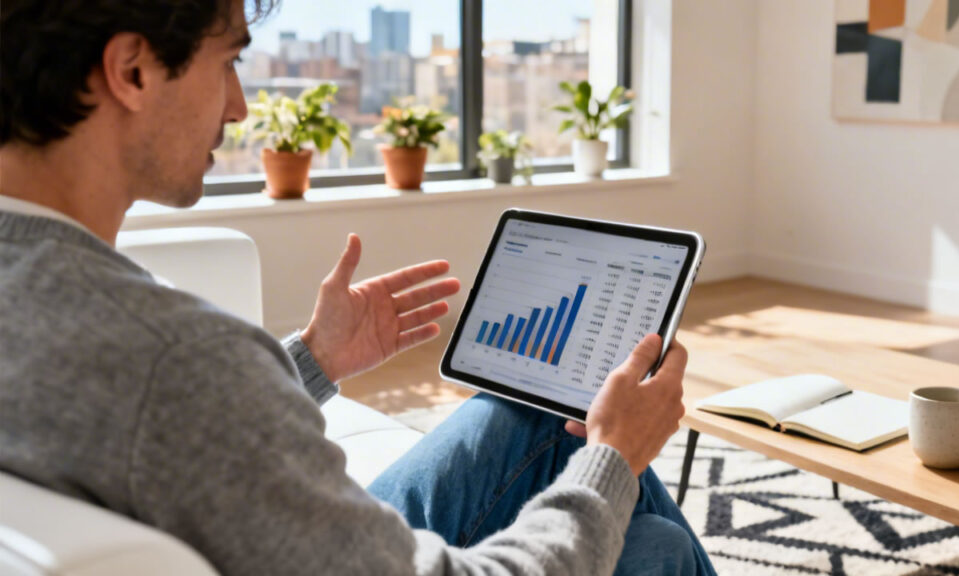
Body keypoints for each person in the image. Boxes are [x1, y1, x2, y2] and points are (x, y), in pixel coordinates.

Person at [0, 0, 716, 574]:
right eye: (229, 62)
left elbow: (156, 424)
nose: (240, 106)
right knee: (654, 545)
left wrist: (312, 358)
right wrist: (614, 460)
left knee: (531, 412)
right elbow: (175, 392)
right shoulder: (175, 354)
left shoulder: (58, 302)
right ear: (130, 70)